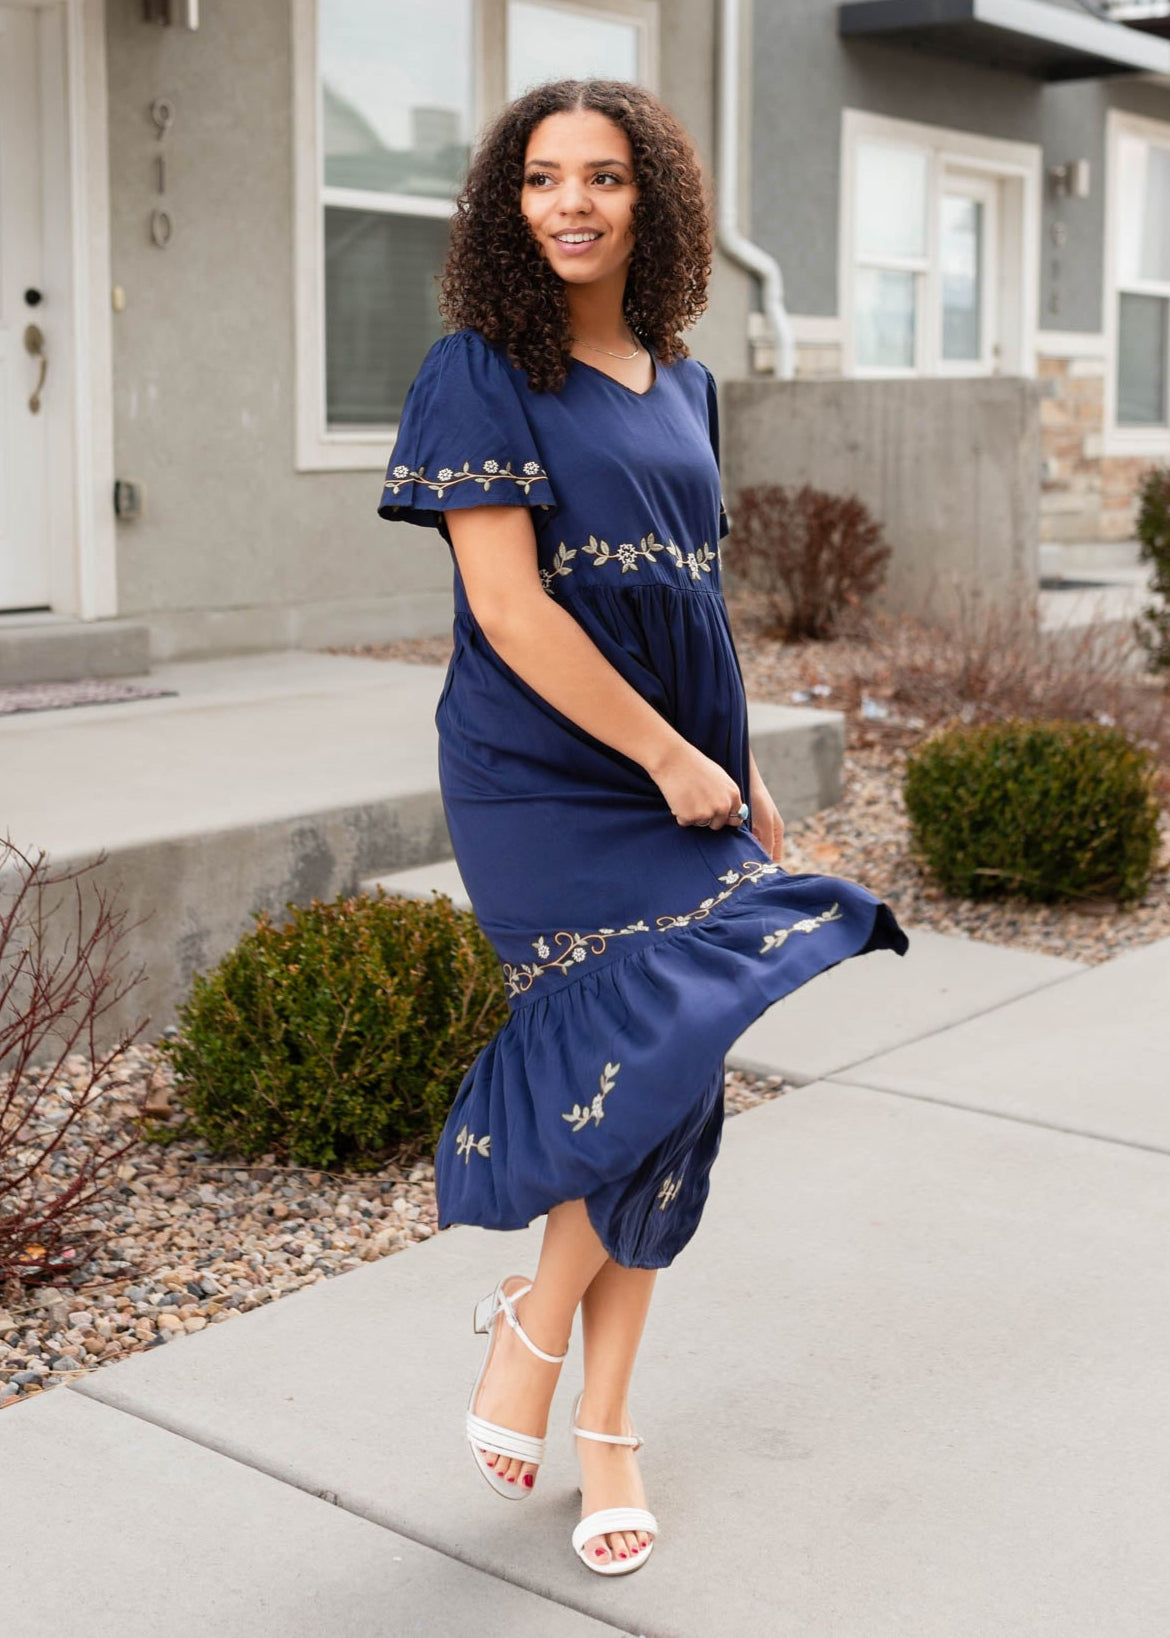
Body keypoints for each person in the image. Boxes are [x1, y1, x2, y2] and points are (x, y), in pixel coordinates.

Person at [377, 78, 909, 1577]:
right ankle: (577, 1391)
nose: (569, 204)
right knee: (644, 1053)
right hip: (541, 774)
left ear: (648, 203)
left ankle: (564, 1368)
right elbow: (508, 609)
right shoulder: (476, 369)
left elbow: (693, 603)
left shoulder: (684, 377)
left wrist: (738, 773)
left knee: (672, 1073)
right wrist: (672, 760)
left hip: (680, 762)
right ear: (506, 200)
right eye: (541, 178)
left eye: (602, 178)